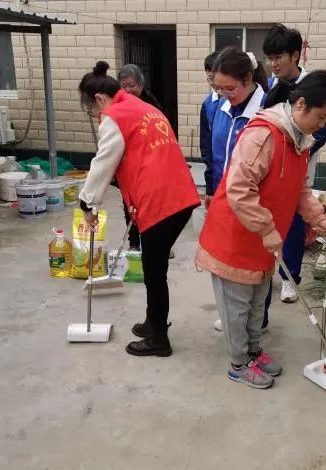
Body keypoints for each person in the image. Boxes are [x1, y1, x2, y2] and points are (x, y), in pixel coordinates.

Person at [195, 70, 326, 389]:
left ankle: (253, 351)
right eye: (321, 117)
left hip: (262, 238)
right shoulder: (263, 135)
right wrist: (266, 228)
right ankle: (238, 363)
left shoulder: (300, 141)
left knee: (257, 303)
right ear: (301, 104)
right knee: (236, 309)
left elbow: (300, 189)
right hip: (236, 236)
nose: (322, 125)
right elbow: (239, 188)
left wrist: (317, 218)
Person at [79, 61, 200, 357]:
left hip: (161, 201)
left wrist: (87, 203)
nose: (96, 115)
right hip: (180, 195)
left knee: (154, 271)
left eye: (92, 110)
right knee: (152, 264)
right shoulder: (141, 106)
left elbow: (103, 162)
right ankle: (151, 322)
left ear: (99, 99)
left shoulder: (115, 116)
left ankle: (159, 339)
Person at [262, 24, 326, 326]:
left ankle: (290, 276)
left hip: (298, 169)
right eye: (269, 58)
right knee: (268, 221)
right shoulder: (271, 85)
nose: (273, 64)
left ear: (295, 55)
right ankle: (265, 278)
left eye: (278, 57)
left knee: (292, 223)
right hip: (270, 170)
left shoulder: (312, 86)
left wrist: (293, 151)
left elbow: (321, 133)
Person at [206, 47, 268, 202]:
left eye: (230, 88)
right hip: (221, 196)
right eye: (219, 88)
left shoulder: (267, 110)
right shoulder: (221, 106)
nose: (224, 94)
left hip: (251, 203)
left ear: (248, 78)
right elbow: (214, 155)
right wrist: (212, 190)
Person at [116, 64, 165, 253]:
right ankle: (134, 243)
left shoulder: (151, 104)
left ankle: (158, 244)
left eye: (132, 85)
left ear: (141, 85)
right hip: (128, 164)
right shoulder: (119, 105)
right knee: (129, 204)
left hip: (149, 163)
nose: (128, 90)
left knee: (152, 206)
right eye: (124, 86)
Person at [200, 52, 220, 206]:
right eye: (210, 78)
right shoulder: (208, 105)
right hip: (217, 172)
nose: (214, 83)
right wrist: (209, 188)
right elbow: (206, 146)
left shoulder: (237, 100)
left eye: (216, 77)